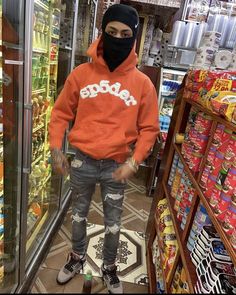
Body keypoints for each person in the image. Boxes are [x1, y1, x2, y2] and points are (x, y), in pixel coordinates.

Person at [48, 3, 159, 293]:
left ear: (133, 38)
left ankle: (109, 268)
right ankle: (76, 258)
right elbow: (60, 114)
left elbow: (150, 129)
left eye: (125, 34)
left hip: (115, 166)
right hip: (82, 161)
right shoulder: (81, 74)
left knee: (113, 223)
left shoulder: (143, 84)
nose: (117, 38)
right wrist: (56, 150)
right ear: (102, 32)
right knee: (78, 215)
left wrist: (134, 162)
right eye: (111, 32)